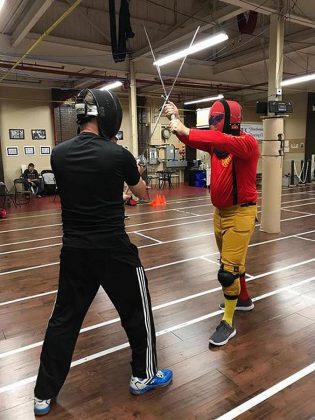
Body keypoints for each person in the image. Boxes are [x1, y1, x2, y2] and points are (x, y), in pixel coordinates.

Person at [34, 89, 173, 416]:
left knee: (63, 322)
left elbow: (87, 191)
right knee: (137, 312)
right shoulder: (118, 155)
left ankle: (43, 393)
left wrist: (119, 187)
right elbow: (142, 192)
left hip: (74, 250)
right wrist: (134, 171)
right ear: (108, 115)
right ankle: (144, 374)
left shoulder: (59, 154)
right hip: (113, 251)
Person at [164, 99, 259, 347]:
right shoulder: (218, 144)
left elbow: (222, 140)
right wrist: (174, 122)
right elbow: (195, 140)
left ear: (230, 120)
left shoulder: (246, 143)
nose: (213, 125)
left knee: (227, 272)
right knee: (232, 263)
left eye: (216, 120)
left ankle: (227, 322)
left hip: (241, 212)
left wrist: (185, 128)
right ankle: (243, 300)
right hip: (220, 213)